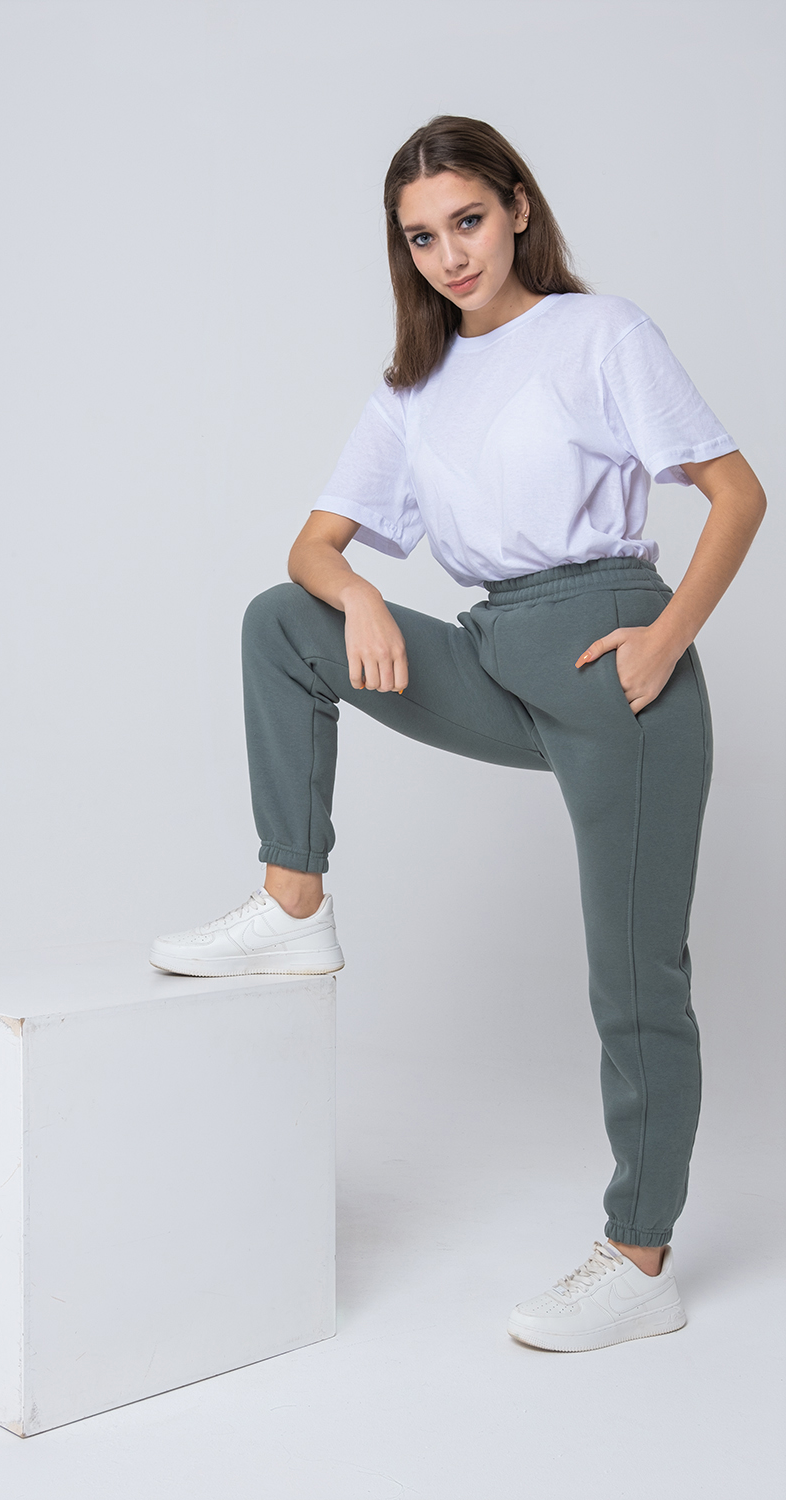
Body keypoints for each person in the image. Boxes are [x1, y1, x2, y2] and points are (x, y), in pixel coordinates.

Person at [149, 116, 766, 1352]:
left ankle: (638, 1259)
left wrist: (663, 640)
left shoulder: (599, 332)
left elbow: (736, 492)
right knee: (284, 622)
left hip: (611, 661)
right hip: (491, 649)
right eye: (422, 237)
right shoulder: (412, 386)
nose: (450, 255)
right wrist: (363, 595)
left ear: (518, 207)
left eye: (468, 221)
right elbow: (311, 548)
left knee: (633, 979)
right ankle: (291, 900)